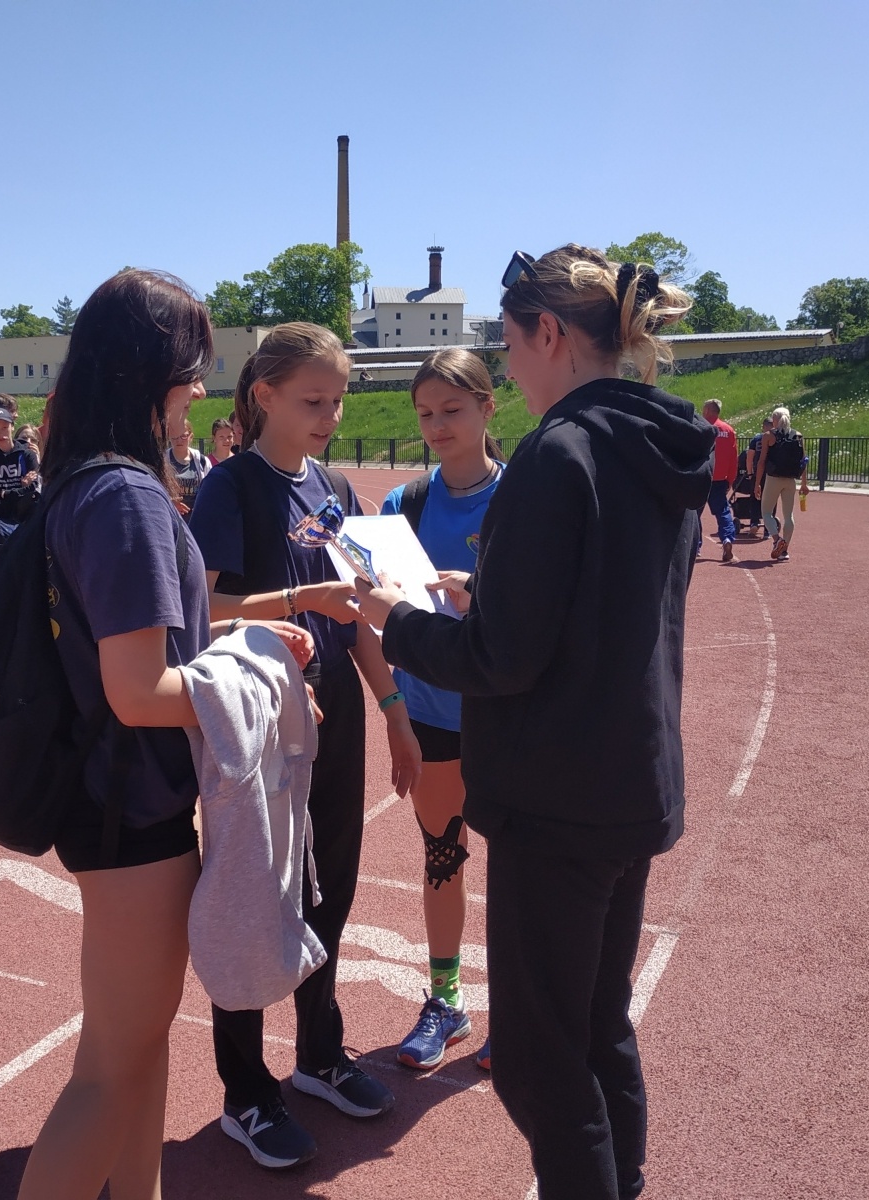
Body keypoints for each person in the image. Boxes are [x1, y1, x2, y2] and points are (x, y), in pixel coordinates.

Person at [354, 245, 713, 1200]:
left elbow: (501, 663)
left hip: (556, 799)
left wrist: (399, 622)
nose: (507, 366)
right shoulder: (661, 444)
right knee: (598, 1027)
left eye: (508, 345)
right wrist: (495, 595)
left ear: (549, 333)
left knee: (539, 1063)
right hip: (630, 777)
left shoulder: (559, 453)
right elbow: (601, 609)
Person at [15, 268, 313, 1200]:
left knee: (137, 1057)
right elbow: (140, 688)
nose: (199, 397)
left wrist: (232, 635)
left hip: (118, 808)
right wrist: (259, 676)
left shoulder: (88, 482)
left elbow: (141, 641)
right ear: (155, 375)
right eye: (193, 373)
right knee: (110, 1069)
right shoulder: (128, 498)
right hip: (128, 817)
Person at [189, 321, 413, 1170]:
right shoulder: (230, 488)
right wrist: (294, 596)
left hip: (338, 716)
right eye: (314, 399)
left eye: (339, 398)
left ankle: (319, 1055)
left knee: (334, 889)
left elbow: (356, 613)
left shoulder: (335, 488)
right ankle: (245, 1093)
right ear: (265, 395)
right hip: (261, 720)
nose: (330, 413)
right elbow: (201, 615)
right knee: (254, 895)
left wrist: (392, 708)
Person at [377, 348, 505, 1072]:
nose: (436, 425)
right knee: (442, 858)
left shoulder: (525, 499)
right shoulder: (405, 505)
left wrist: (479, 592)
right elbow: (378, 614)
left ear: (489, 408)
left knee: (518, 869)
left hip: (505, 714)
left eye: (452, 410)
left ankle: (516, 1013)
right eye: (425, 413)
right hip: (429, 710)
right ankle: (447, 1000)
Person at [0, 403, 41, 563]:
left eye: (5, 427)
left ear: (12, 427)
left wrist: (5, 494)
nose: (1, 433)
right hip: (2, 532)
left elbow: (34, 489)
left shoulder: (27, 455)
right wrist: (21, 489)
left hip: (29, 525)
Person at [753, 405, 809, 561]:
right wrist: (804, 484)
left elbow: (762, 461)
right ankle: (785, 551)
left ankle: (777, 540)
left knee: (766, 512)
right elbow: (803, 461)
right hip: (790, 480)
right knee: (788, 515)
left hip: (773, 479)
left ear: (775, 419)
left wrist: (757, 483)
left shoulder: (768, 436)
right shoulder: (798, 435)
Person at [700, 399, 738, 563]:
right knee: (723, 512)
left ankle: (696, 547)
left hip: (701, 477)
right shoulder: (728, 430)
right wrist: (730, 480)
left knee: (694, 514)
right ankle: (727, 539)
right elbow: (733, 458)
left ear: (708, 410)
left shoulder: (701, 427)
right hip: (719, 479)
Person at [167, 419, 210, 514]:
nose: (179, 440)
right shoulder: (163, 461)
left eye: (183, 436)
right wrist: (170, 502)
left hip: (196, 517)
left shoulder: (202, 461)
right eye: (175, 437)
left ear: (191, 437)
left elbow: (209, 490)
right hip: (172, 516)